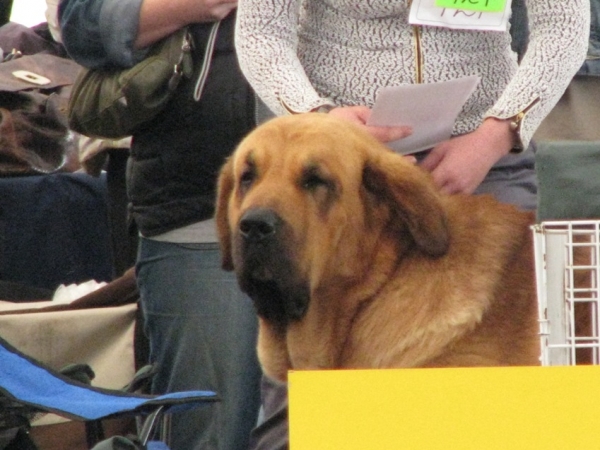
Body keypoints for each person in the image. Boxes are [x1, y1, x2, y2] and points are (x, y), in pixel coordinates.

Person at [234, 0, 589, 448]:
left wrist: (500, 131)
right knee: (307, 414)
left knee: (511, 407)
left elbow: (563, 25)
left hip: (486, 160)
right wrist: (317, 119)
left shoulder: (491, 146)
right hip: (335, 176)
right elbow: (261, 33)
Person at [57, 1, 263, 449]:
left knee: (377, 422)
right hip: (200, 219)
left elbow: (452, 17)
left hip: (371, 213)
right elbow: (82, 24)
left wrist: (459, 137)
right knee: (210, 429)